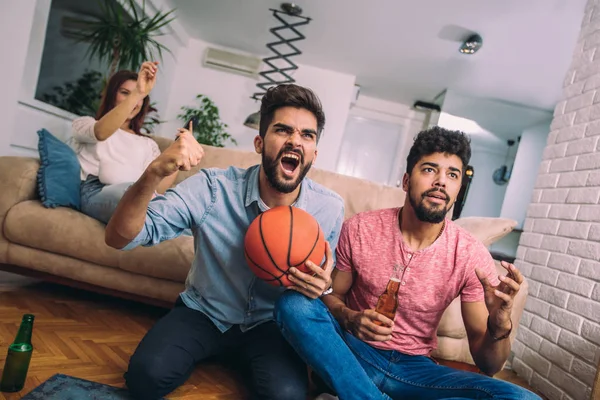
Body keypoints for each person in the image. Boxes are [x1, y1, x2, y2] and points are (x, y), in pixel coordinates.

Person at [104, 84, 346, 400]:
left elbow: (326, 287)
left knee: (287, 397)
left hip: (269, 326)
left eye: (307, 135)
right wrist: (152, 175)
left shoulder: (329, 209)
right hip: (204, 312)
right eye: (282, 130)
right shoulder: (213, 188)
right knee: (144, 378)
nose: (294, 141)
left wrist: (321, 289)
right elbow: (118, 238)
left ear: (314, 152)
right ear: (260, 142)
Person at [275, 126, 541, 400]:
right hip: (353, 355)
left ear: (458, 190)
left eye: (452, 174)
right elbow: (333, 296)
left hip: (416, 372)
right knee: (293, 304)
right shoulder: (360, 229)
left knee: (525, 399)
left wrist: (499, 328)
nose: (441, 181)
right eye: (429, 169)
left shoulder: (470, 254)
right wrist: (351, 318)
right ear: (406, 181)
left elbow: (489, 365)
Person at [71, 61, 178, 224]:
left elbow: (156, 189)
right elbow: (101, 133)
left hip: (137, 197)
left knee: (176, 211)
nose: (134, 101)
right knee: (132, 196)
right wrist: (138, 92)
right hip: (95, 192)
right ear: (112, 94)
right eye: (125, 92)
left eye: (139, 97)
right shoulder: (86, 124)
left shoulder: (148, 144)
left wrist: (178, 155)